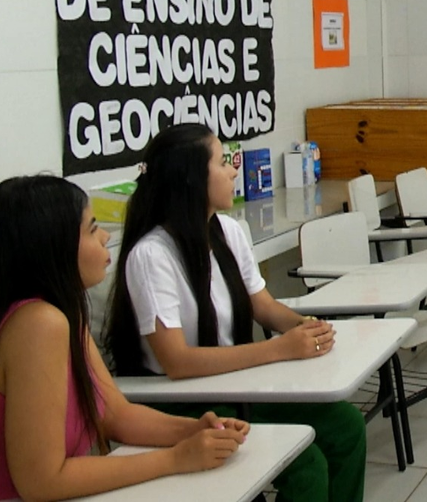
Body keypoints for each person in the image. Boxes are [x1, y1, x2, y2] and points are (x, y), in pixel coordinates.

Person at [0, 175, 247, 502]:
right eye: (92, 228)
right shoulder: (38, 325)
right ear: (52, 245)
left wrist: (195, 431)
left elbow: (115, 415)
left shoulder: (62, 313)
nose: (105, 236)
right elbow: (43, 482)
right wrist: (176, 459)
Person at [104, 123, 366, 502]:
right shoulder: (151, 255)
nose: (232, 172)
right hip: (183, 401)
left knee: (346, 426)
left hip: (235, 386)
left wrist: (306, 328)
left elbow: (264, 306)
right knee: (307, 466)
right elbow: (176, 361)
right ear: (192, 179)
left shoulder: (228, 230)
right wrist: (279, 349)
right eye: (222, 163)